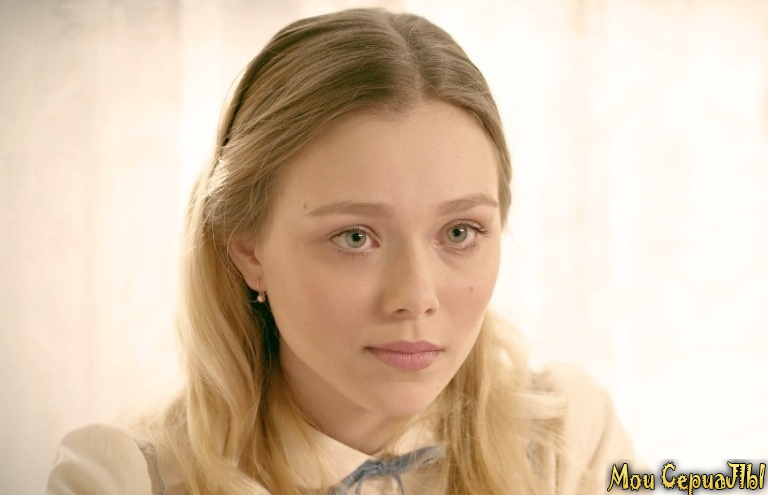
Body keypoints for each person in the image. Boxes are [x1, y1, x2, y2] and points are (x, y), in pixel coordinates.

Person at [47, 8, 636, 495]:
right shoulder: (123, 482)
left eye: (459, 232)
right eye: (355, 237)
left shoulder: (570, 442)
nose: (416, 297)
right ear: (249, 250)